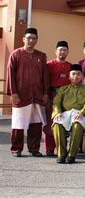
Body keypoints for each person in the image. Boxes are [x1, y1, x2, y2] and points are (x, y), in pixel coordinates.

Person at [7, 28, 50, 157]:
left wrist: (46, 92)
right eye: (29, 38)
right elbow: (10, 74)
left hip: (37, 96)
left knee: (36, 124)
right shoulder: (16, 54)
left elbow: (45, 76)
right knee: (18, 124)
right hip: (21, 96)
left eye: (34, 38)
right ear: (24, 39)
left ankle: (34, 148)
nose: (31, 40)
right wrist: (13, 93)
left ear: (37, 40)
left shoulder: (41, 56)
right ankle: (16, 148)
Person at [52, 64, 85, 164]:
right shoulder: (63, 89)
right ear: (69, 76)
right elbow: (56, 102)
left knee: (77, 124)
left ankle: (71, 155)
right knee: (57, 123)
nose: (76, 76)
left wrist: (82, 112)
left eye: (78, 74)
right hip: (66, 113)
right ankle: (61, 154)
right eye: (73, 74)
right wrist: (57, 112)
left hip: (80, 113)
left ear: (82, 76)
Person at [45, 41, 72, 156]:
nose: (62, 52)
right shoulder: (49, 65)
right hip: (52, 95)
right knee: (50, 122)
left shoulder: (70, 66)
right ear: (55, 51)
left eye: (64, 50)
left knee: (64, 122)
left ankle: (62, 148)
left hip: (66, 97)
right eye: (60, 50)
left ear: (68, 52)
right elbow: (44, 81)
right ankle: (49, 149)